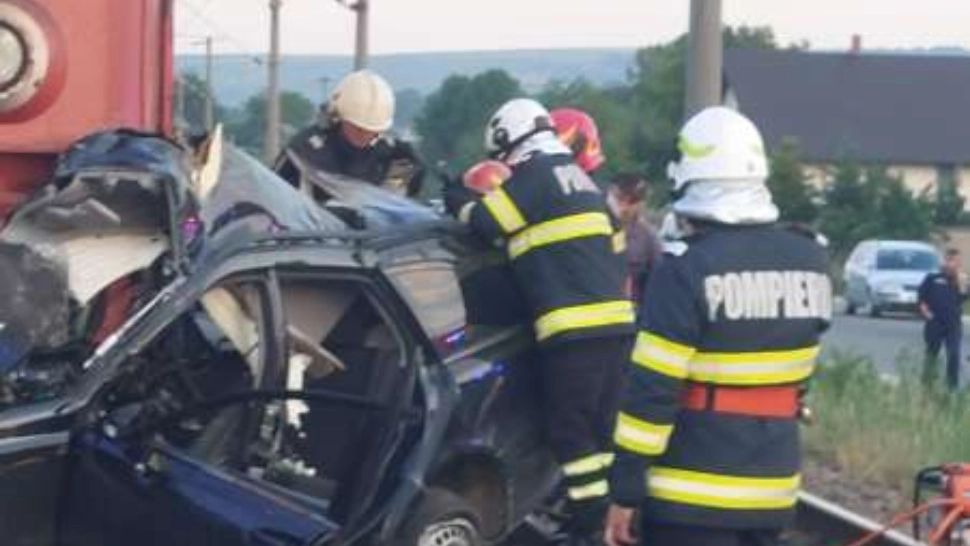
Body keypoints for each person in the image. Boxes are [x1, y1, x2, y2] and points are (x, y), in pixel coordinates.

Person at [604, 106, 833, 546]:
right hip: (772, 487)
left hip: (690, 496)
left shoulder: (686, 267)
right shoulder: (812, 259)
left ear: (688, 179)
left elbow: (652, 389)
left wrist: (626, 489)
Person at [444, 98, 635, 540]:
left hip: (574, 334)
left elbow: (486, 222)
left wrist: (458, 197)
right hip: (618, 330)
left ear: (509, 141)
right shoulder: (584, 182)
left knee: (570, 436)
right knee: (602, 434)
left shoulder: (535, 177)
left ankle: (590, 528)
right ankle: (614, 525)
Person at [274, 69, 425, 198]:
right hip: (311, 231)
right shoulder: (304, 151)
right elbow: (274, 200)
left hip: (378, 232)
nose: (364, 135)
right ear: (338, 117)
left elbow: (399, 208)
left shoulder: (395, 156)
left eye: (372, 131)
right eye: (357, 128)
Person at [607, 173, 662, 303]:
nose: (624, 207)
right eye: (619, 199)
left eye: (632, 201)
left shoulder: (647, 237)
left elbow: (656, 281)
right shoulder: (596, 227)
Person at [918, 248, 968, 390]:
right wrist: (926, 313)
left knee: (954, 353)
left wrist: (962, 284)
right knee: (932, 353)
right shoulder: (932, 278)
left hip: (953, 323)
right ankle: (927, 384)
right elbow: (921, 299)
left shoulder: (960, 280)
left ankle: (952, 387)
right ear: (945, 261)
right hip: (935, 322)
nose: (953, 264)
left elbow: (962, 298)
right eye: (950, 260)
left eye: (956, 261)